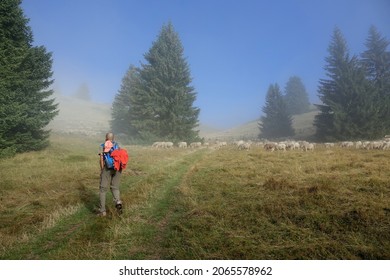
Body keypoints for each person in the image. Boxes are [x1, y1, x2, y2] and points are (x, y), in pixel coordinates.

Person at [97, 132, 123, 216]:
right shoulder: (118, 146)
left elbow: (102, 159)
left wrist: (102, 170)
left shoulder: (104, 145)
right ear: (113, 138)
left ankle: (102, 211)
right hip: (118, 168)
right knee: (115, 187)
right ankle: (117, 201)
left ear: (106, 138)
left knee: (103, 189)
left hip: (107, 168)